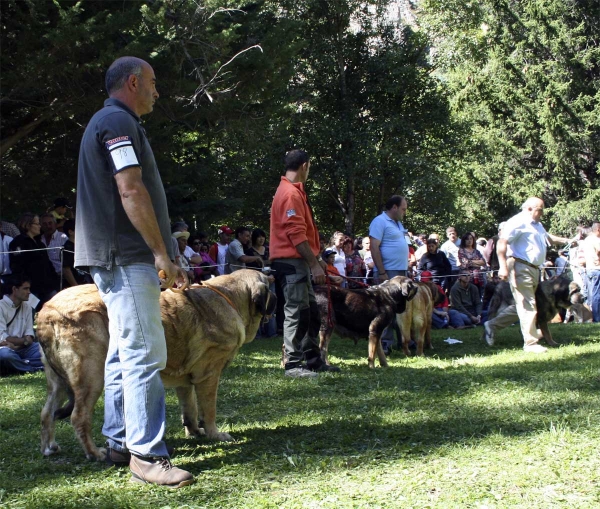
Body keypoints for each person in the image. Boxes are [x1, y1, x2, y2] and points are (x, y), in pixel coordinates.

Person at [74, 56, 193, 487]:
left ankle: (122, 439)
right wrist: (160, 253)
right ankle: (146, 454)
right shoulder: (117, 124)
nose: (158, 91)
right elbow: (129, 188)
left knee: (125, 351)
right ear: (133, 81)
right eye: (154, 83)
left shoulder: (112, 122)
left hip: (117, 255)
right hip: (125, 256)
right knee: (146, 352)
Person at [269, 149, 339, 377]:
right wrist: (315, 264)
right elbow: (296, 235)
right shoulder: (290, 194)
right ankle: (293, 365)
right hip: (291, 262)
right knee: (296, 311)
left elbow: (303, 235)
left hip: (297, 262)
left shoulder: (292, 191)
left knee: (310, 312)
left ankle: (312, 360)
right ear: (305, 166)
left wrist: (318, 261)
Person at [481, 197, 572, 353]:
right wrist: (502, 266)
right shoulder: (516, 222)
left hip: (535, 269)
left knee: (525, 305)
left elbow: (548, 238)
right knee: (528, 305)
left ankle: (492, 325)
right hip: (520, 267)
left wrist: (569, 240)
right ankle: (530, 343)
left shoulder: (537, 225)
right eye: (540, 210)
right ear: (530, 208)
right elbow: (502, 243)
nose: (542, 213)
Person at [368, 195, 409, 353]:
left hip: (401, 272)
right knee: (385, 309)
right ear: (394, 207)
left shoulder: (398, 224)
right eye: (403, 209)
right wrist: (382, 271)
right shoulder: (379, 221)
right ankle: (384, 343)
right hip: (388, 272)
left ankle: (403, 341)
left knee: (400, 308)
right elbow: (374, 247)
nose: (404, 212)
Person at [9, 213, 60, 309]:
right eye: (37, 224)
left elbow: (48, 264)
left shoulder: (40, 243)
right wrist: (24, 285)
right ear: (28, 225)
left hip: (47, 286)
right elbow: (17, 267)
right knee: (30, 313)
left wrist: (55, 282)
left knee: (56, 309)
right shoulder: (18, 242)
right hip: (30, 289)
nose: (40, 226)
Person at [0, 275, 43, 376]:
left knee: (46, 350)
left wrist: (20, 343)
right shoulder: (1, 306)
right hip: (5, 348)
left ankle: (16, 366)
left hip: (23, 348)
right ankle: (31, 367)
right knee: (5, 355)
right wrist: (24, 341)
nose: (29, 292)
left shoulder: (27, 306)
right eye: (25, 288)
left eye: (29, 288)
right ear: (14, 289)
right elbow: (2, 338)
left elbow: (29, 335)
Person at [62, 219, 91, 287]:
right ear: (70, 232)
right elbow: (66, 271)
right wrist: (76, 286)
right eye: (79, 228)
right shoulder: (67, 248)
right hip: (78, 285)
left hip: (88, 282)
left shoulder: (82, 245)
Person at [39, 213, 68, 278]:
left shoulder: (63, 238)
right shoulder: (39, 240)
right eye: (44, 224)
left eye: (50, 223)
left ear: (55, 224)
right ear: (41, 226)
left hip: (63, 277)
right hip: (46, 277)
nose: (48, 226)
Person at [582, 222, 600, 322]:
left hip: (589, 269)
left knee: (592, 294)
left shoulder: (587, 240)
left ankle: (593, 317)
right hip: (597, 269)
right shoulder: (595, 239)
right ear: (598, 230)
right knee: (597, 295)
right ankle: (597, 319)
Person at [458, 232, 486, 296]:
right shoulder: (461, 251)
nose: (469, 240)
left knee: (478, 296)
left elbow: (483, 262)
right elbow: (465, 263)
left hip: (478, 278)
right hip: (467, 278)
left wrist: (470, 261)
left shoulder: (477, 251)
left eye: (471, 239)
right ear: (464, 240)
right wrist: (477, 262)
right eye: (467, 239)